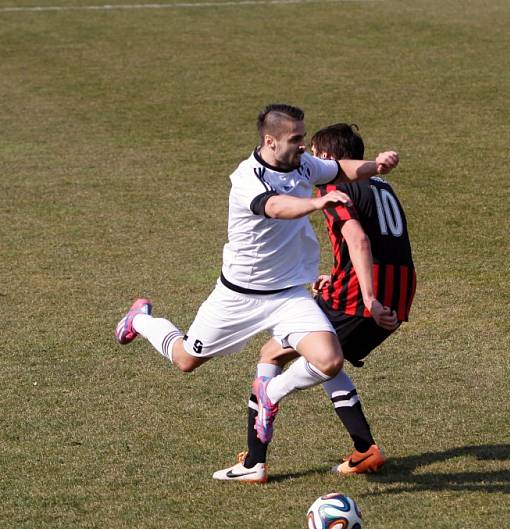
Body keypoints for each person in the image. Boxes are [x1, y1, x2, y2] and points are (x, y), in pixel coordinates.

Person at [114, 104, 399, 484]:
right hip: (238, 297)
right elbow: (277, 207)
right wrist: (317, 202)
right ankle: (141, 319)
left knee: (330, 360)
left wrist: (375, 166)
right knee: (185, 360)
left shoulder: (302, 164)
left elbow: (342, 168)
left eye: (303, 136)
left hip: (289, 297)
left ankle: (270, 400)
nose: (303, 146)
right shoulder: (247, 178)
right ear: (270, 141)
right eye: (296, 139)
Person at [235, 123, 416, 479]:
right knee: (328, 356)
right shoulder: (381, 184)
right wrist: (338, 277)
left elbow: (359, 240)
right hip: (402, 286)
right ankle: (365, 450)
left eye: (316, 154)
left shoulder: (336, 186)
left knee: (273, 353)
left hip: (365, 292)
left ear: (330, 158)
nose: (310, 160)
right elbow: (382, 241)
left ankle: (254, 460)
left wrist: (369, 298)